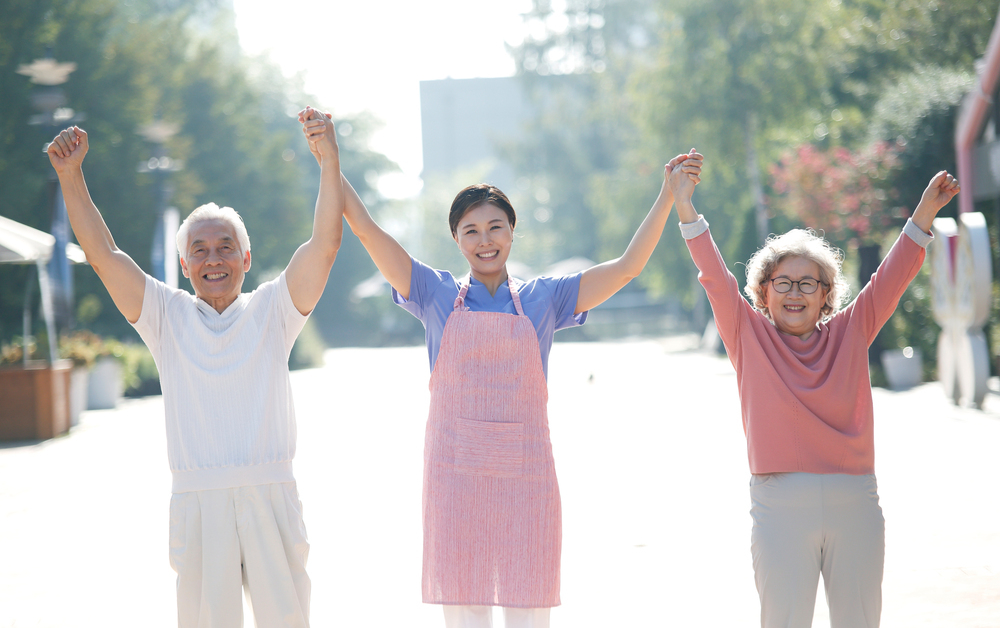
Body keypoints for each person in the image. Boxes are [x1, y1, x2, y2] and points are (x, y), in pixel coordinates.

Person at [302, 113, 702, 627]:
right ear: (456, 238)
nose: (484, 239)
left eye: (495, 226)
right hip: (454, 479)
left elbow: (627, 267)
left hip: (527, 481)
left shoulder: (546, 298)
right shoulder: (433, 292)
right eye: (470, 230)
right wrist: (331, 162)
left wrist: (669, 195)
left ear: (513, 231)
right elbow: (363, 226)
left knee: (530, 613)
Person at [45, 106, 344, 628]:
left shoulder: (273, 310)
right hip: (198, 499)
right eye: (200, 250)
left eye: (225, 248)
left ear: (245, 259)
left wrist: (328, 161)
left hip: (270, 492)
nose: (213, 259)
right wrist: (72, 177)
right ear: (185, 266)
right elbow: (104, 254)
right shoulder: (166, 315)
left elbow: (324, 245)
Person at [667, 157, 960, 628]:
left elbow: (891, 278)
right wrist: (685, 208)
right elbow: (715, 278)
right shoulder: (747, 334)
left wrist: (924, 212)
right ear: (763, 293)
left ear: (827, 294)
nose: (795, 293)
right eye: (782, 283)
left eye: (808, 283)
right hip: (779, 503)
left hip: (855, 501)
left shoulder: (851, 329)